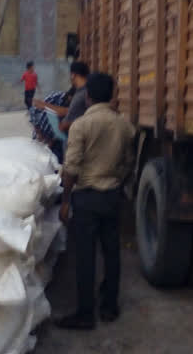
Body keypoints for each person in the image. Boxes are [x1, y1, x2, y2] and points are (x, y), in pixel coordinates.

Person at [56, 73, 136, 330]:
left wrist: (66, 201)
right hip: (112, 195)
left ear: (88, 96)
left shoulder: (80, 125)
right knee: (112, 252)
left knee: (86, 255)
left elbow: (71, 167)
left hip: (86, 197)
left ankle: (85, 313)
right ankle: (110, 307)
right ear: (111, 95)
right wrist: (117, 181)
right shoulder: (124, 125)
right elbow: (128, 162)